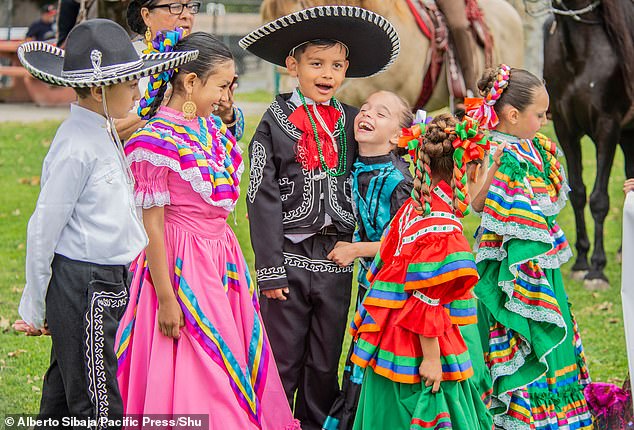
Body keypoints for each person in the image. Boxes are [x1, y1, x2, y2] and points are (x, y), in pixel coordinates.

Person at [13, 19, 195, 426]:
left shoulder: (102, 132)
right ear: (98, 90)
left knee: (64, 394)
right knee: (97, 403)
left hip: (104, 280)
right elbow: (44, 227)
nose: (137, 91)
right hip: (83, 284)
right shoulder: (77, 146)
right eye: (130, 83)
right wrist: (37, 300)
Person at [113, 32, 298, 429]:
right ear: (192, 82)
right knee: (200, 361)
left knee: (230, 352)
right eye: (222, 84)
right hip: (180, 263)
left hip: (220, 259)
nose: (227, 93)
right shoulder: (155, 141)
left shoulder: (211, 130)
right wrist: (165, 296)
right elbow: (153, 226)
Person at [239, 6, 399, 429]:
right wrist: (269, 268)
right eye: (316, 64)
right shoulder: (273, 122)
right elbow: (260, 195)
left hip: (336, 263)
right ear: (293, 66)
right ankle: (270, 422)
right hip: (287, 265)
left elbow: (385, 162)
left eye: (336, 66)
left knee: (325, 361)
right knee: (282, 360)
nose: (327, 74)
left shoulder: (352, 121)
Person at [468, 65, 593, 429]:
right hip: (507, 263)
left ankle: (553, 412)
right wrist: (494, 170)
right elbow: (475, 203)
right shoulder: (489, 149)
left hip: (543, 263)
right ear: (511, 114)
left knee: (551, 324)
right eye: (539, 115)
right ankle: (517, 410)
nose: (544, 121)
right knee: (515, 329)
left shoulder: (538, 149)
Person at [349, 114, 493, 430]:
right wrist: (431, 359)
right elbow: (426, 297)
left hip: (394, 339)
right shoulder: (442, 228)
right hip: (424, 346)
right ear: (470, 171)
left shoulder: (415, 209)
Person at [322, 90, 414, 430]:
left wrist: (355, 249)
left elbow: (407, 242)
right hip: (370, 286)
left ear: (397, 136)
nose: (368, 114)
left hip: (397, 291)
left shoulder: (399, 181)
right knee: (361, 352)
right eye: (365, 108)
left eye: (382, 113)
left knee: (379, 357)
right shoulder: (354, 166)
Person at [116, 0, 244, 141]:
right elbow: (112, 128)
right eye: (175, 7)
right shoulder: (125, 62)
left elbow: (233, 135)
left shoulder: (200, 55)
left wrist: (226, 114)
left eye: (191, 6)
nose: (187, 15)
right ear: (147, 15)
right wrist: (165, 105)